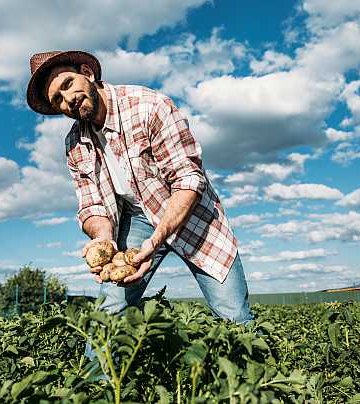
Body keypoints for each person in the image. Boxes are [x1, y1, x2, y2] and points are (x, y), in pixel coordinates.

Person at [26, 50, 253, 324]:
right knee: (107, 317)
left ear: (88, 73)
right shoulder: (75, 144)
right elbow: (91, 205)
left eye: (68, 84)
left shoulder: (150, 107)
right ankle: (99, 368)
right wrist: (103, 239)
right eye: (57, 100)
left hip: (191, 215)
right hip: (137, 219)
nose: (68, 100)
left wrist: (156, 241)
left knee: (235, 318)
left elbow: (188, 180)